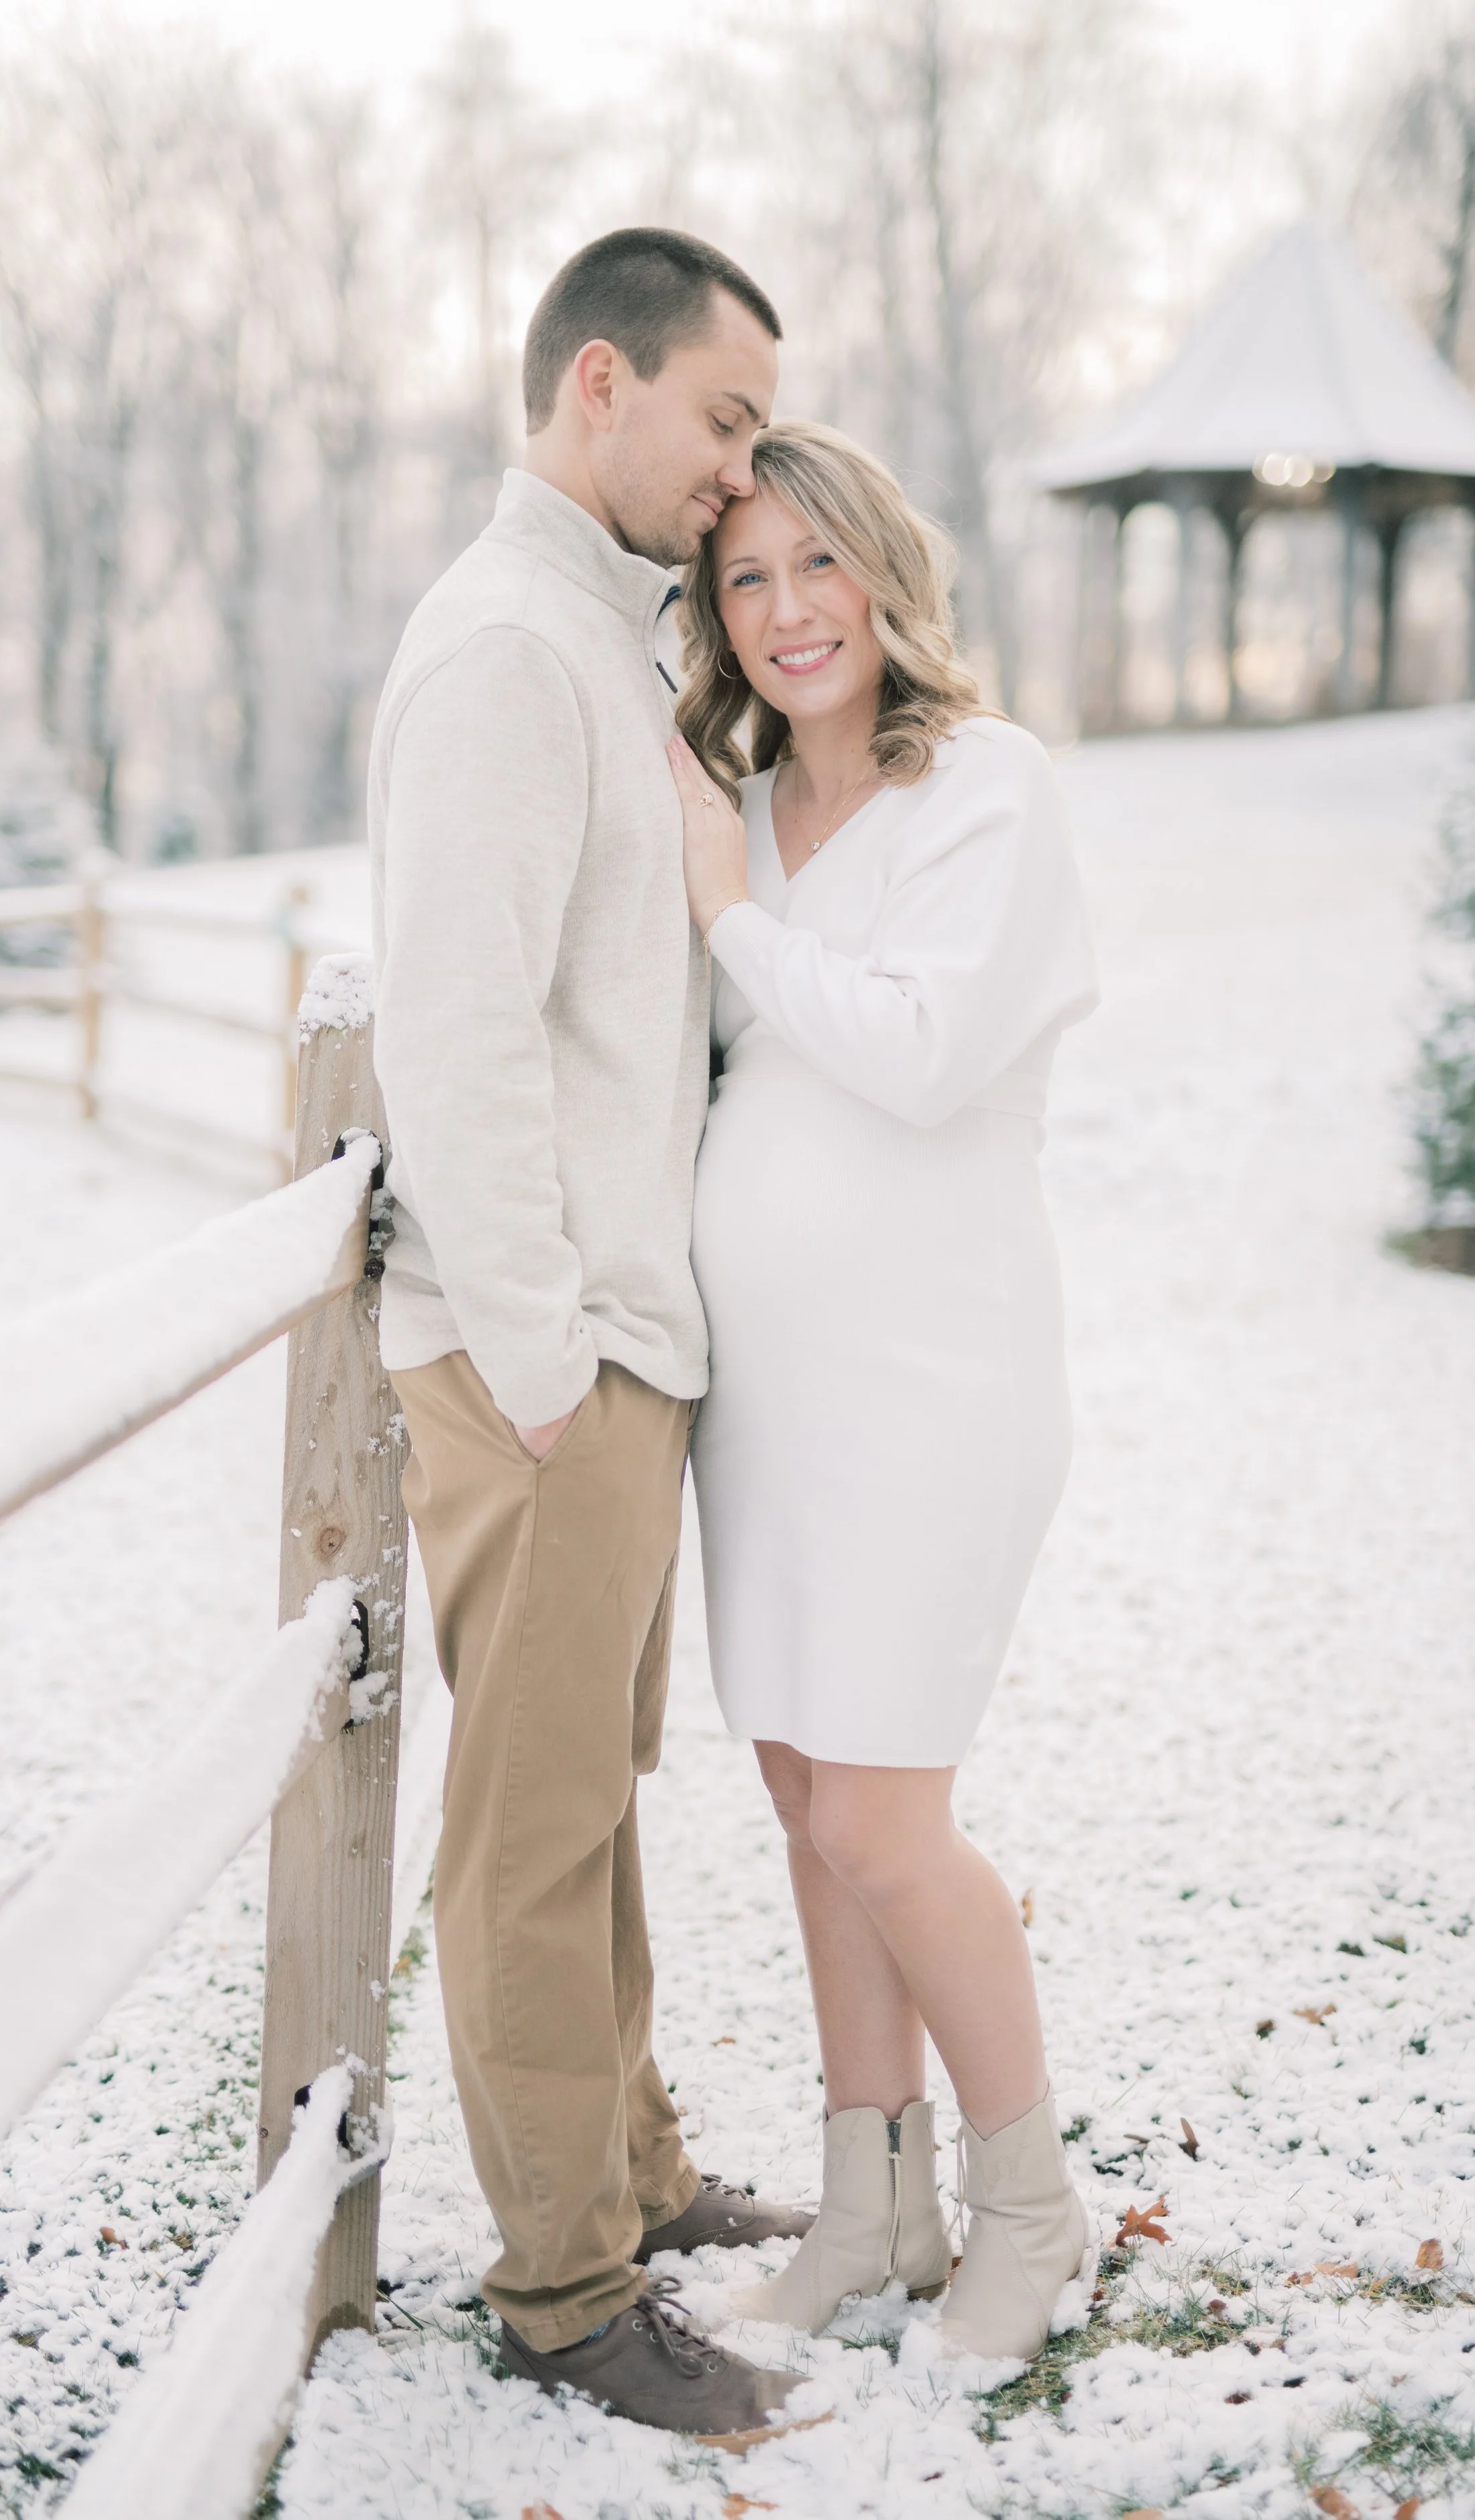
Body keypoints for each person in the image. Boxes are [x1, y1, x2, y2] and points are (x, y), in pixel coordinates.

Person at [369, 231, 816, 2443]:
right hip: (538, 1361)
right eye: (723, 423)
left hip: (613, 1348)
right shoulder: (504, 660)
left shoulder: (590, 642)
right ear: (601, 386)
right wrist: (545, 1354)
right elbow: (450, 1038)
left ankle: (624, 2171)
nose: (739, 480)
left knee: (593, 1801)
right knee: (528, 1832)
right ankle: (561, 2289)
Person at [665, 419, 1099, 2363]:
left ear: (882, 573)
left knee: (883, 1817)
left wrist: (728, 915)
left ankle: (1028, 2210)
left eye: (812, 566)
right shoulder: (745, 810)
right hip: (770, 1404)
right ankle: (874, 2204)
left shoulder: (981, 790)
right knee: (798, 1795)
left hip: (932, 1385)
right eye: (744, 579)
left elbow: (920, 1060)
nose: (783, 614)